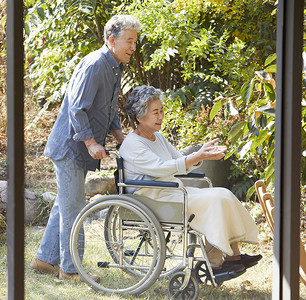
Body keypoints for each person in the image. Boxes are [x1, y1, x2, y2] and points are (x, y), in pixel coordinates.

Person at [30, 15, 142, 281]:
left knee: (65, 205)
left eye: (135, 42)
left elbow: (108, 107)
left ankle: (44, 260)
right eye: (129, 41)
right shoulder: (95, 64)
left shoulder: (115, 66)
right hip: (70, 147)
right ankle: (71, 270)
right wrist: (91, 142)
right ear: (111, 40)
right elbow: (77, 108)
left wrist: (120, 135)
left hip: (77, 147)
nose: (133, 47)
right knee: (75, 208)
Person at [119, 85, 262, 280]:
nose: (161, 116)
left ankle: (232, 257)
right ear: (139, 116)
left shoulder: (158, 137)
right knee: (214, 201)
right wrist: (196, 156)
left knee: (223, 194)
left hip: (170, 191)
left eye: (161, 110)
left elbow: (179, 162)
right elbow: (161, 167)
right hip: (152, 197)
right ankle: (216, 264)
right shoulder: (132, 144)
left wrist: (202, 155)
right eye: (155, 112)